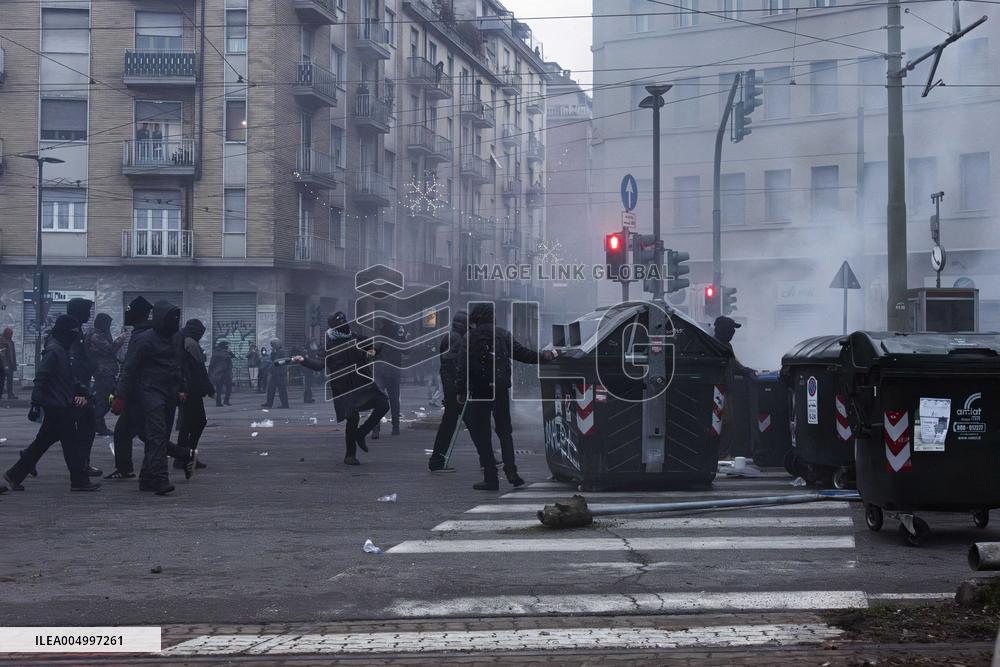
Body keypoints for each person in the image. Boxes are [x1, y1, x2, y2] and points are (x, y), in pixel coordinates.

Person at [1, 315, 100, 494]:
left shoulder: (60, 349)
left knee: (42, 444)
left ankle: (14, 475)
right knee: (71, 445)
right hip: (58, 406)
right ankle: (79, 480)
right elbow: (41, 376)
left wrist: (82, 390)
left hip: (59, 404)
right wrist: (35, 403)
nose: (75, 337)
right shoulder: (54, 351)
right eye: (72, 333)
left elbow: (67, 378)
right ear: (64, 333)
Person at [465, 303, 554, 490]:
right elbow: (522, 354)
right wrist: (544, 356)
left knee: (483, 434)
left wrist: (459, 390)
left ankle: (491, 478)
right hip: (500, 389)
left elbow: (461, 366)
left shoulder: (469, 337)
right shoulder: (503, 334)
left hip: (479, 391)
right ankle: (512, 473)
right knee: (505, 432)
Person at [111, 300, 191, 495]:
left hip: (169, 392)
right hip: (150, 392)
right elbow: (129, 369)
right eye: (171, 318)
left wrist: (182, 387)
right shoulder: (145, 339)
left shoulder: (177, 338)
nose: (175, 322)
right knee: (156, 435)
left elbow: (178, 364)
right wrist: (120, 395)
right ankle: (159, 478)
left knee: (160, 437)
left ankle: (147, 478)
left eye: (177, 318)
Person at [294, 312, 388, 465]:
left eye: (344, 321)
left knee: (383, 404)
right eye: (340, 323)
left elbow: (376, 344)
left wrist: (374, 351)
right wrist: (303, 360)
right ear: (333, 326)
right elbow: (319, 365)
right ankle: (350, 455)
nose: (344, 325)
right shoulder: (330, 346)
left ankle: (362, 433)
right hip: (344, 387)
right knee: (352, 418)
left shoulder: (356, 338)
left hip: (362, 382)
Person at [105, 296, 154, 480]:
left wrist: (121, 395)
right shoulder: (146, 333)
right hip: (142, 393)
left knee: (130, 433)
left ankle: (183, 454)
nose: (126, 314)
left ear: (137, 314)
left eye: (129, 310)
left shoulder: (140, 336)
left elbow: (130, 369)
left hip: (137, 394)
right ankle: (124, 469)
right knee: (140, 433)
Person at [428, 311, 469, 473]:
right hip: (455, 393)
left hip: (453, 391)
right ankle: (436, 461)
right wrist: (459, 389)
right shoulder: (457, 339)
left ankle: (437, 460)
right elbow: (453, 366)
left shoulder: (451, 337)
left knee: (454, 425)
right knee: (467, 425)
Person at [66, 297, 101, 477]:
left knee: (53, 430)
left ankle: (28, 459)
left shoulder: (78, 330)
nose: (89, 315)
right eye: (87, 311)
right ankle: (82, 466)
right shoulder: (71, 332)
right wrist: (79, 391)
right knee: (86, 424)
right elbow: (72, 363)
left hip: (78, 387)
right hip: (75, 390)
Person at [176, 319, 213, 473]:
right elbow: (198, 369)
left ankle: (184, 456)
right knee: (198, 422)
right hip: (191, 390)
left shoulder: (180, 339)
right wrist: (208, 388)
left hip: (184, 389)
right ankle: (187, 456)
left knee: (187, 424)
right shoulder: (190, 343)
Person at [86, 313, 126, 436]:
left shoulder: (100, 334)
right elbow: (110, 349)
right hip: (102, 372)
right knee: (105, 400)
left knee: (105, 399)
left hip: (107, 372)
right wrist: (120, 340)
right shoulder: (95, 335)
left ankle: (98, 425)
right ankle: (93, 423)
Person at [372, 321, 405, 439]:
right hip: (393, 373)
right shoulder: (397, 340)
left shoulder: (380, 339)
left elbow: (373, 353)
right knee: (394, 401)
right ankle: (395, 427)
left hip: (380, 372)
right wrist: (402, 337)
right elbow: (407, 351)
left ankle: (376, 429)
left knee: (378, 401)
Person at [262, 338, 289, 409]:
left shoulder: (282, 352)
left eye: (273, 345)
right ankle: (269, 403)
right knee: (271, 389)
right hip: (275, 373)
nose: (272, 346)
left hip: (280, 373)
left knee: (282, 390)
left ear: (276, 344)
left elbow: (285, 361)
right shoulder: (276, 351)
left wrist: (276, 364)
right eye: (272, 345)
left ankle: (285, 404)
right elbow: (273, 359)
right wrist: (273, 352)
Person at [208, 340, 234, 407]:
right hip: (225, 373)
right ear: (225, 346)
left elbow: (211, 365)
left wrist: (210, 374)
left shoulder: (215, 353)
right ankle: (226, 401)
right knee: (229, 387)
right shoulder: (226, 354)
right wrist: (229, 352)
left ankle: (218, 402)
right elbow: (232, 360)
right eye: (228, 346)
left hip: (217, 374)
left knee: (218, 389)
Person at [0, 327, 16, 400]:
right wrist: (5, 365)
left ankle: (10, 394)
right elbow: (2, 355)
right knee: (2, 380)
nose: (11, 336)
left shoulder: (11, 342)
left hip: (10, 364)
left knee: (10, 380)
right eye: (10, 334)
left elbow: (13, 353)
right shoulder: (2, 342)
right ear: (6, 334)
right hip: (4, 365)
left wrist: (14, 364)